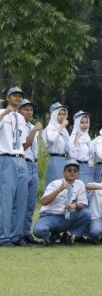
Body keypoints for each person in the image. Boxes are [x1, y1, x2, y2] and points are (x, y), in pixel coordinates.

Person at [33, 159, 90, 245]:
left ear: (78, 173)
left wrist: (75, 206)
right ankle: (50, 239)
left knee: (86, 213)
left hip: (67, 217)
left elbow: (83, 203)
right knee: (39, 231)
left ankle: (68, 235)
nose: (72, 172)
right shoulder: (55, 184)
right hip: (50, 216)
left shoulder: (80, 184)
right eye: (69, 170)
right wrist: (59, 189)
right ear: (64, 172)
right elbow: (44, 202)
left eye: (75, 171)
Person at [0, 87, 29, 247]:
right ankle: (4, 236)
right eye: (14, 96)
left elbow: (23, 142)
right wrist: (5, 112)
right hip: (6, 158)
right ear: (8, 97)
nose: (17, 98)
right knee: (6, 199)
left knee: (21, 199)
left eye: (20, 96)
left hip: (20, 158)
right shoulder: (1, 113)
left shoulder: (20, 118)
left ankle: (16, 235)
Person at [18, 99, 42, 244]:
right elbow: (24, 146)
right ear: (20, 111)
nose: (29, 112)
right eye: (26, 109)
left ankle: (27, 232)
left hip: (34, 164)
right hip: (23, 163)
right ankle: (18, 233)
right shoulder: (19, 126)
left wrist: (34, 129)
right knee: (20, 201)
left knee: (31, 203)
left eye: (31, 110)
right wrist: (34, 130)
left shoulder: (33, 126)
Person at [43, 102, 71, 184]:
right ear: (55, 115)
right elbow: (51, 138)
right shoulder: (50, 127)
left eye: (64, 114)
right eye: (60, 114)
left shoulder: (65, 130)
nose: (62, 116)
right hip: (55, 159)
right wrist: (62, 126)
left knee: (65, 184)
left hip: (65, 159)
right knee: (56, 184)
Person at [70, 110, 93, 184]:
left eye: (86, 122)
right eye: (82, 122)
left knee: (89, 191)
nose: (85, 125)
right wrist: (77, 138)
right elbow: (73, 155)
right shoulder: (73, 137)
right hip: (78, 168)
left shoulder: (88, 138)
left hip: (89, 167)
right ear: (77, 123)